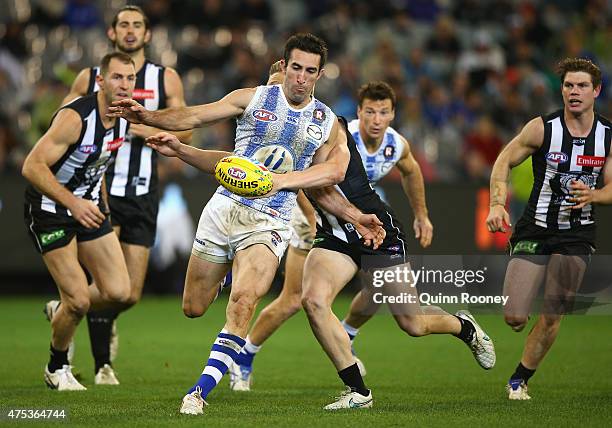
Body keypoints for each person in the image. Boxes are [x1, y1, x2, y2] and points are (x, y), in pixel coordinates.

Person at [109, 33, 385, 415]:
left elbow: (330, 176)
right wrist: (149, 117)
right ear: (284, 66)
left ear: (320, 74)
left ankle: (199, 391)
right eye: (296, 68)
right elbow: (195, 118)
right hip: (224, 210)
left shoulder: (325, 122)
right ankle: (224, 273)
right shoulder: (251, 98)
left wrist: (355, 216)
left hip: (270, 220)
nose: (301, 77)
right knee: (193, 307)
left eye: (310, 71)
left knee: (244, 300)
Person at [229, 81, 436, 389]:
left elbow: (412, 170)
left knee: (379, 289)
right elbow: (302, 177)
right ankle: (245, 357)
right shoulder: (336, 132)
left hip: (354, 220)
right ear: (358, 113)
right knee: (294, 300)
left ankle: (347, 336)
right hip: (314, 216)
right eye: (370, 112)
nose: (376, 120)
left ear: (393, 115)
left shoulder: (395, 144)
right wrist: (312, 216)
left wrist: (421, 214)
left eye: (383, 112)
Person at [49, 5, 191, 384]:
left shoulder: (166, 78)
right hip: (100, 190)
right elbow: (62, 123)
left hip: (144, 191)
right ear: (111, 34)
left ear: (147, 34)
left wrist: (138, 126)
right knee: (109, 282)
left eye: (137, 25)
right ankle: (101, 367)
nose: (130, 31)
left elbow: (187, 133)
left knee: (128, 293)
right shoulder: (91, 77)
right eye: (123, 25)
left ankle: (65, 309)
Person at [486, 58, 611, 400]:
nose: (574, 92)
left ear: (596, 91)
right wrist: (497, 203)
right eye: (569, 85)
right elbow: (503, 160)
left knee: (555, 312)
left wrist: (596, 194)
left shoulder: (608, 136)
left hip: (577, 234)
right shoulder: (543, 128)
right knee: (514, 316)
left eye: (582, 86)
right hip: (535, 229)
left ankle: (519, 379)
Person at [22, 52, 135, 391]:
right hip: (50, 209)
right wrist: (73, 201)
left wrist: (101, 204)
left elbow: (98, 161)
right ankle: (56, 367)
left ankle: (62, 309)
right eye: (117, 77)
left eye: (130, 79)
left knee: (119, 290)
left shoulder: (126, 117)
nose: (124, 85)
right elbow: (32, 166)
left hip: (88, 208)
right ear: (100, 80)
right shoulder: (75, 118)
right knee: (81, 301)